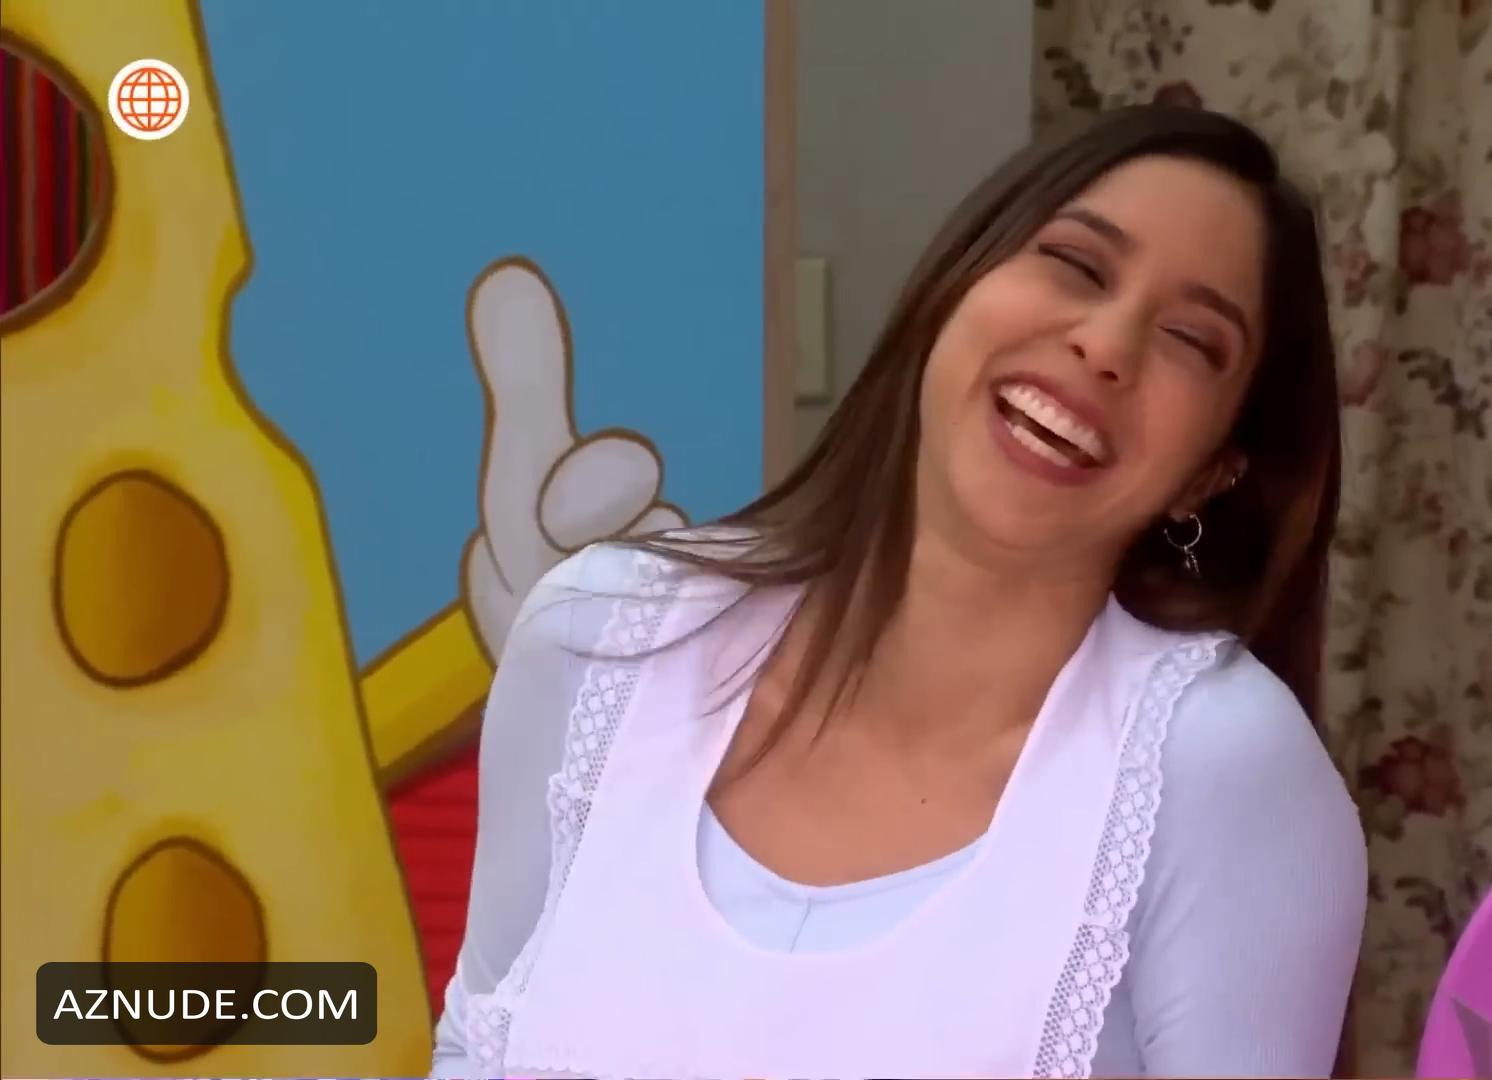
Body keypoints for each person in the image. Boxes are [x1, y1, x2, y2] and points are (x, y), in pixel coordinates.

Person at [432, 105, 1368, 1079]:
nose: (1106, 344)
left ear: (1211, 472)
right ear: (953, 287)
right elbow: (473, 1048)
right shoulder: (598, 635)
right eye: (1077, 265)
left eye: (1188, 338)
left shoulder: (1221, 765)